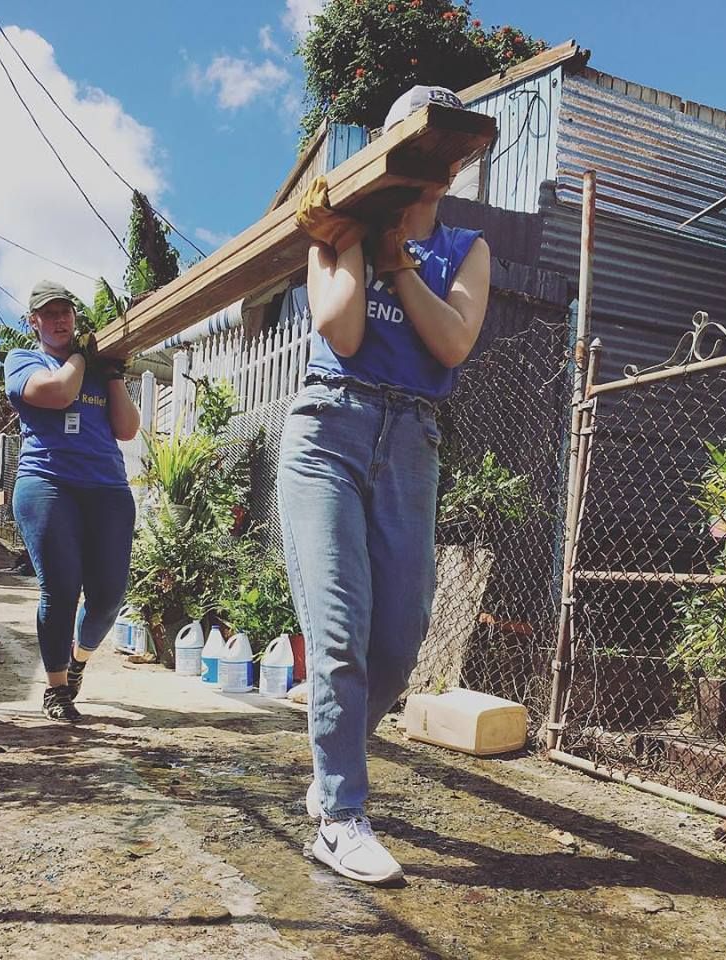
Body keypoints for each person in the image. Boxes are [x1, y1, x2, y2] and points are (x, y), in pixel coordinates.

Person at [277, 86, 491, 885]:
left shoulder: (466, 249)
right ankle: (339, 816)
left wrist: (400, 260)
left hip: (412, 442)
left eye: (447, 152)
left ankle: (331, 775)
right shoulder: (335, 227)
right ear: (393, 148)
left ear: (459, 160)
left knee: (398, 649)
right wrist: (360, 241)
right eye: (417, 145)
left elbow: (451, 342)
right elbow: (342, 330)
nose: (433, 165)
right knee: (338, 635)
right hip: (328, 429)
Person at [4, 280, 141, 722]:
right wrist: (84, 355)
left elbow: (126, 428)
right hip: (48, 482)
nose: (60, 320)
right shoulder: (23, 360)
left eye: (66, 312)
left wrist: (115, 373)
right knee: (61, 588)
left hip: (107, 488)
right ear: (34, 322)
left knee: (107, 597)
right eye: (50, 314)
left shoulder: (101, 371)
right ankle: (58, 689)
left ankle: (79, 659)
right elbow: (59, 392)